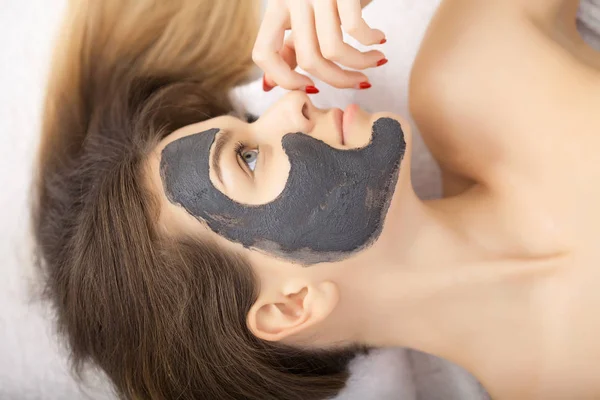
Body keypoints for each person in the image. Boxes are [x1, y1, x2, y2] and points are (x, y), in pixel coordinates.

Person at [33, 1, 600, 400]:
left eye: (250, 120)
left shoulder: (473, 78)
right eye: (248, 159)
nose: (290, 103)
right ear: (290, 306)